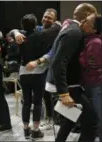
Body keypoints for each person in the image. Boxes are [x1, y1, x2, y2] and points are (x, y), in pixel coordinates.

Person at [38, 3, 98, 142]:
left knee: (70, 119)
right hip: (67, 86)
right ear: (88, 14)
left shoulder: (70, 27)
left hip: (65, 83)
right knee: (90, 121)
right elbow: (59, 62)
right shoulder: (74, 32)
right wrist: (64, 93)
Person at [8, 14, 61, 139]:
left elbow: (10, 33)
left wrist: (15, 32)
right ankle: (36, 130)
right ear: (36, 23)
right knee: (37, 102)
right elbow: (58, 27)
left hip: (23, 71)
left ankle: (26, 130)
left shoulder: (20, 35)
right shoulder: (43, 34)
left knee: (26, 102)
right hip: (38, 71)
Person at [79, 14, 102, 142]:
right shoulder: (89, 40)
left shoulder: (95, 43)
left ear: (94, 29)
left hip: (96, 85)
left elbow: (89, 64)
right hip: (91, 85)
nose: (83, 22)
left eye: (86, 21)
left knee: (100, 119)